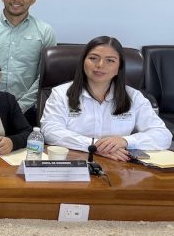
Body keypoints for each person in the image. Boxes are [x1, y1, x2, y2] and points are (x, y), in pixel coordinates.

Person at [41, 36, 172, 160]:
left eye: (110, 60)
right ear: (83, 62)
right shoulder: (61, 94)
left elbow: (163, 135)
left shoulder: (134, 97)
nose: (100, 65)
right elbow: (50, 132)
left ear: (119, 68)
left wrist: (125, 141)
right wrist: (94, 146)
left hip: (119, 164)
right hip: (75, 161)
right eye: (93, 58)